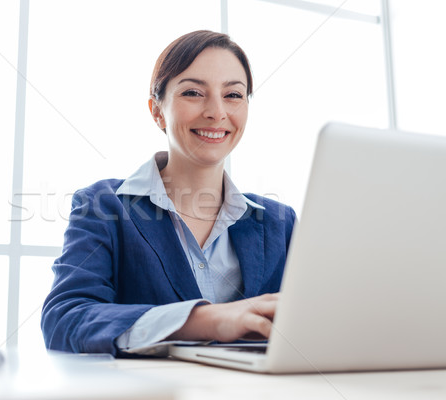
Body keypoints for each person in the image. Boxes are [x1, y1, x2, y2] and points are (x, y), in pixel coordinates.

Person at [41, 30, 296, 357]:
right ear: (157, 111)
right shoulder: (102, 205)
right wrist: (203, 320)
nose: (217, 112)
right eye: (193, 92)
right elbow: (65, 319)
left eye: (233, 95)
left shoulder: (279, 222)